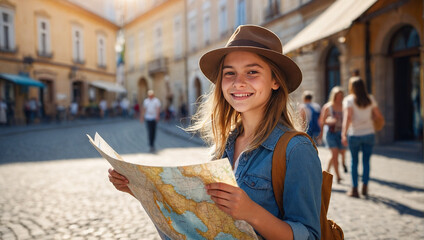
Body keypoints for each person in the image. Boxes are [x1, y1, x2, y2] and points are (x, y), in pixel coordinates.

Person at [108, 25, 322, 239]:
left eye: (252, 72)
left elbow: (311, 236)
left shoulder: (296, 150)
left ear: (276, 80)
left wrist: (252, 213)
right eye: (230, 73)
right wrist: (144, 192)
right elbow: (199, 222)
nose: (238, 82)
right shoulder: (224, 147)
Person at [342, 76, 383, 198]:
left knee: (354, 162)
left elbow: (348, 118)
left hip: (355, 134)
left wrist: (344, 134)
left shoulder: (349, 100)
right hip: (369, 133)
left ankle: (354, 189)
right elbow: (378, 115)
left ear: (352, 88)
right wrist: (369, 119)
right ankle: (365, 186)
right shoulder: (370, 99)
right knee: (366, 161)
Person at [319, 86, 347, 183]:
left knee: (339, 153)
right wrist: (322, 133)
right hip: (331, 134)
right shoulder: (328, 107)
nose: (339, 98)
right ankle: (338, 176)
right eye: (338, 96)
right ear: (334, 96)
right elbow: (322, 121)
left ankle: (326, 171)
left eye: (341, 96)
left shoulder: (345, 106)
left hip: (341, 133)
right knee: (335, 155)